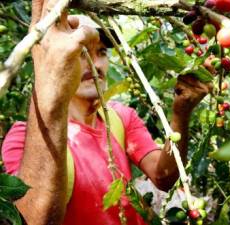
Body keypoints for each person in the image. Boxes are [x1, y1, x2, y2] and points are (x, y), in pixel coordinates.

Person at [1, 0, 212, 224]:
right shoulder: (26, 139)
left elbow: (163, 176)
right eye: (82, 53)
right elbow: (34, 219)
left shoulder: (121, 117)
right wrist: (49, 86)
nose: (96, 65)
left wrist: (181, 112)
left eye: (101, 52)